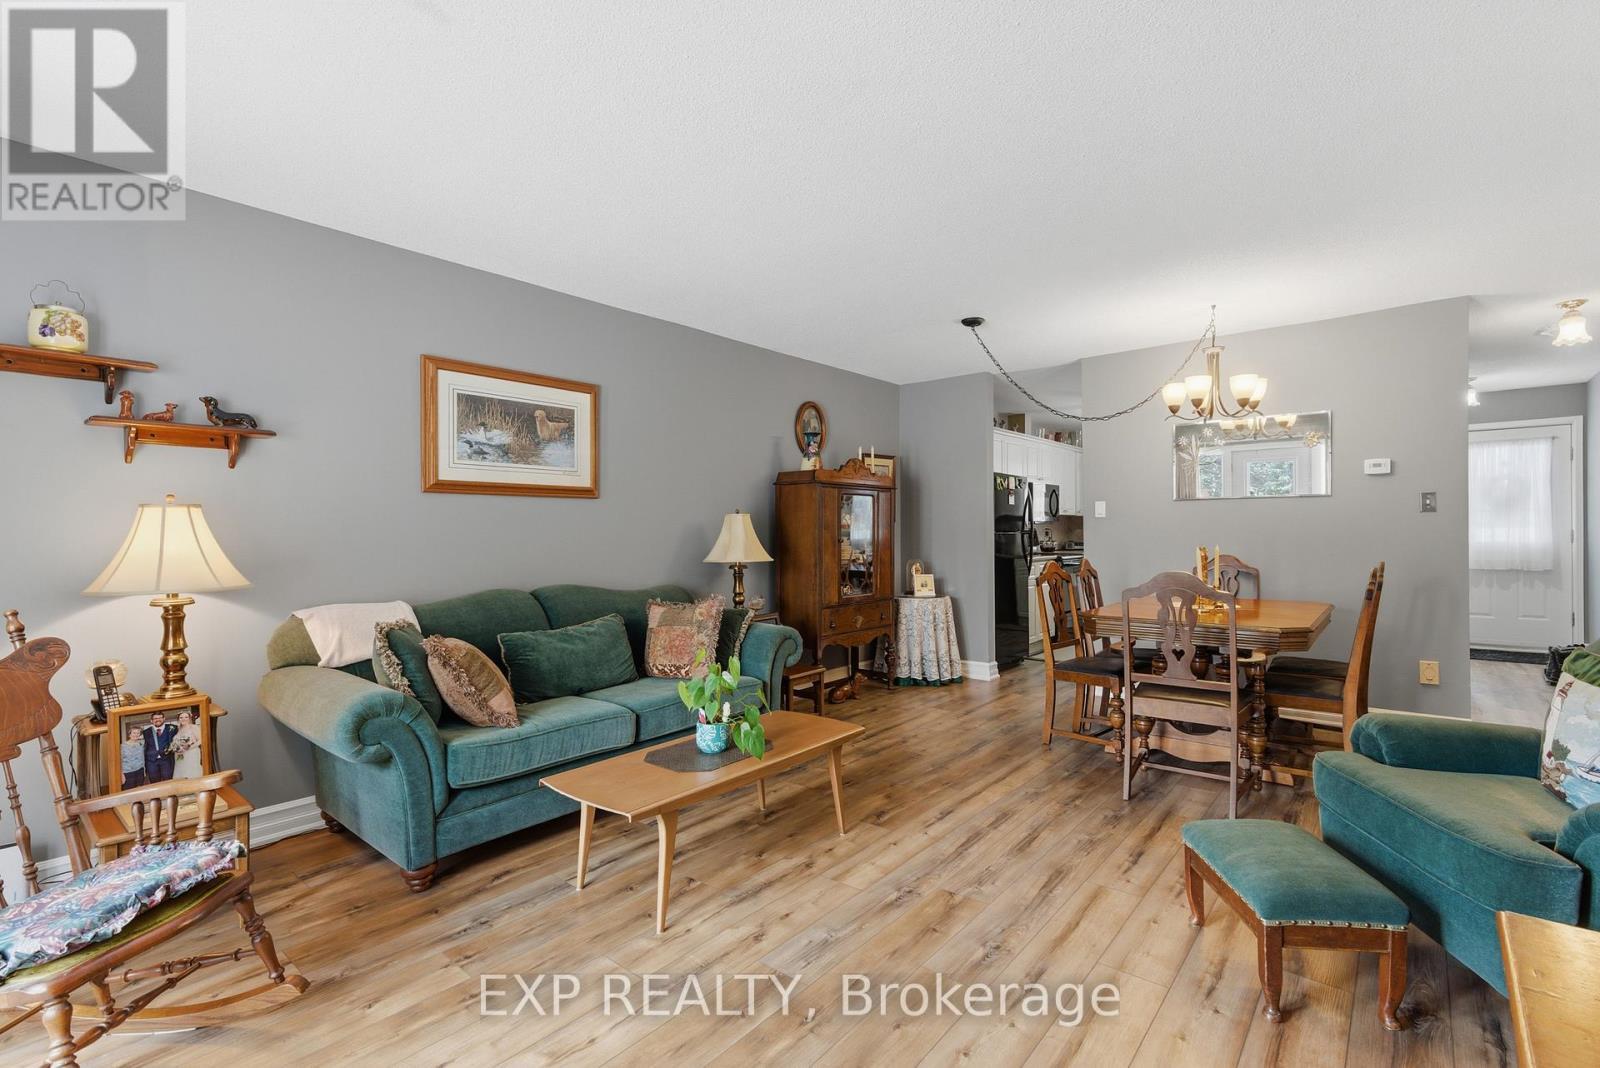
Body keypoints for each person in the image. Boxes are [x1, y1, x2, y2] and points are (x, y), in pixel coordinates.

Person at [142, 711, 177, 784]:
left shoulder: (173, 728)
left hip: (167, 760)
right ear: (151, 720)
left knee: (168, 781)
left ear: (164, 718)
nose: (158, 720)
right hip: (151, 761)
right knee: (154, 782)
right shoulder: (146, 732)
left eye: (160, 717)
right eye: (155, 718)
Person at [172, 710, 203, 779]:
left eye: (186, 717)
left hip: (191, 753)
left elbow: (201, 740)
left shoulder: (194, 727)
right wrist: (176, 748)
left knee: (191, 772)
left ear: (189, 718)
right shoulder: (179, 729)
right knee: (181, 772)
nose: (183, 719)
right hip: (180, 755)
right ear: (178, 719)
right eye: (181, 717)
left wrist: (189, 747)